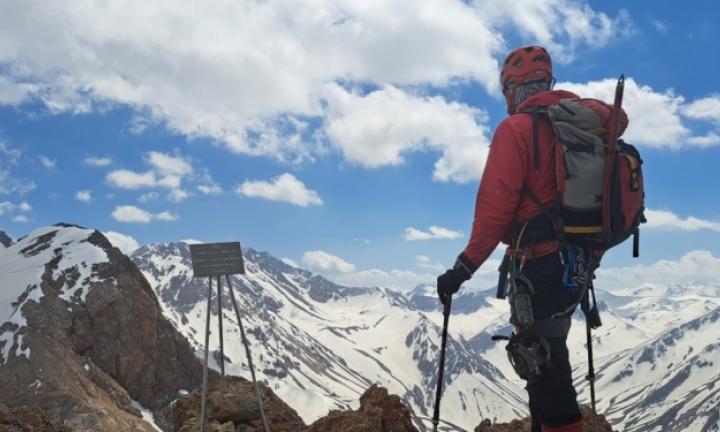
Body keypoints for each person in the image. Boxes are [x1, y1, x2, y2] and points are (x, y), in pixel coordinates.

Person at [437, 45, 585, 432]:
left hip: (538, 266)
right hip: (574, 265)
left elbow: (493, 213)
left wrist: (461, 270)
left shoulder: (516, 130)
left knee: (546, 369)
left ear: (512, 87)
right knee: (547, 360)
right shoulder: (574, 130)